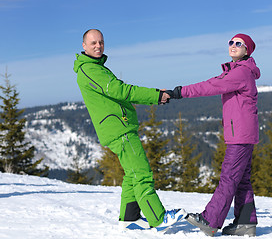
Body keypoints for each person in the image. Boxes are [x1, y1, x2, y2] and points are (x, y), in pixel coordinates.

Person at [73, 29, 186, 232]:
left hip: (119, 127)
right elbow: (121, 90)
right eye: (93, 43)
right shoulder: (91, 69)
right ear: (84, 46)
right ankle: (158, 218)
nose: (98, 46)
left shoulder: (94, 67)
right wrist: (156, 95)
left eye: (101, 42)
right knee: (142, 173)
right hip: (119, 129)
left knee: (131, 174)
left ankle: (129, 217)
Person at [167, 33, 260, 237]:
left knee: (229, 177)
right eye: (231, 42)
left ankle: (210, 220)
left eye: (239, 43)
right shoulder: (238, 71)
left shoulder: (241, 73)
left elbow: (210, 86)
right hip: (243, 134)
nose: (233, 45)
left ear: (247, 50)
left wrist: (179, 92)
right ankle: (245, 222)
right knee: (241, 179)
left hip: (241, 136)